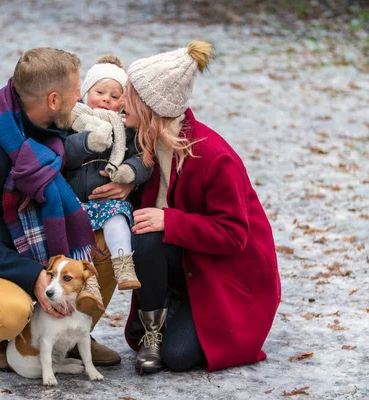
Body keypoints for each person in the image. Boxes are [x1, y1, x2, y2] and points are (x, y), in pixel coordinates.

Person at [0, 47, 131, 372]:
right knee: (11, 312)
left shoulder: (58, 128)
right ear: (53, 100)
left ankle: (71, 339)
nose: (81, 100)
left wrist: (124, 184)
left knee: (111, 245)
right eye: (75, 92)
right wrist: (34, 276)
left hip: (44, 247)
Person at [121, 41, 282, 374]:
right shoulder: (147, 143)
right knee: (145, 232)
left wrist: (170, 219)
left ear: (151, 105)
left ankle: (179, 304)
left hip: (228, 279)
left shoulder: (214, 157)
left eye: (129, 94)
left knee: (178, 357)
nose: (121, 101)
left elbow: (234, 235)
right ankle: (154, 328)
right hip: (189, 261)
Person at [63, 55, 154, 314]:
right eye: (100, 92)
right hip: (75, 200)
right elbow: (62, 154)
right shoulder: (72, 122)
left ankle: (124, 264)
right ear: (84, 93)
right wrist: (87, 142)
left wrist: (129, 172)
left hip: (107, 203)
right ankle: (87, 283)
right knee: (76, 238)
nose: (106, 99)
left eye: (114, 97)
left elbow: (143, 159)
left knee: (118, 221)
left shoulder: (126, 129)